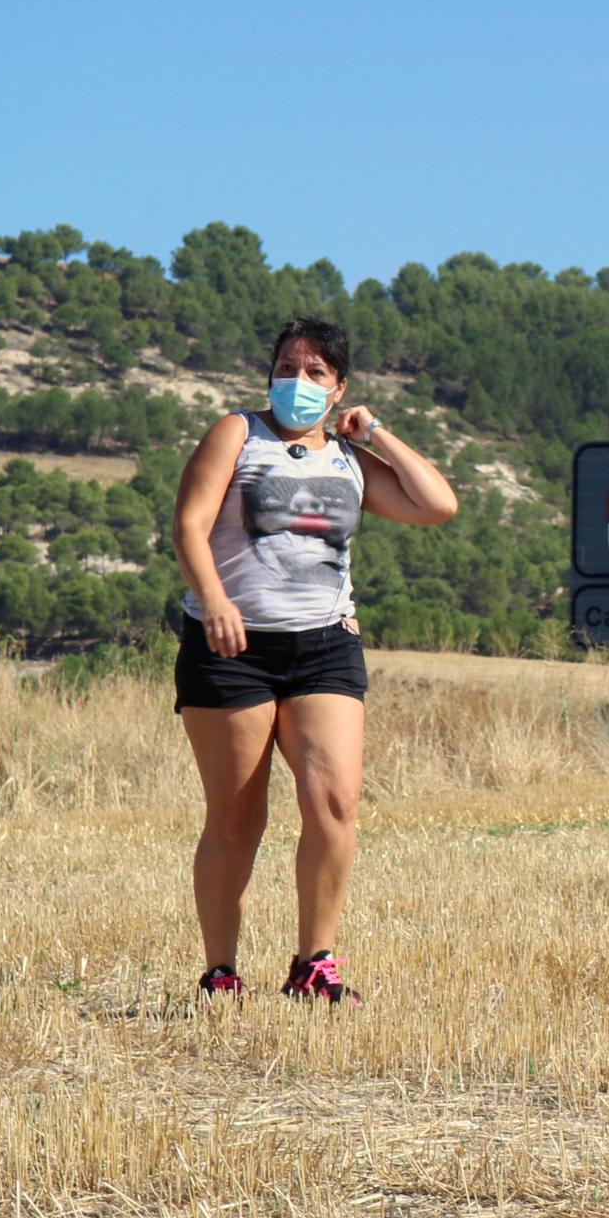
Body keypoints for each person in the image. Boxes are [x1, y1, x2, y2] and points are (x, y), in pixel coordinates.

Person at [170, 317, 458, 1004]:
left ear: (338, 390)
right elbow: (188, 523)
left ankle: (314, 965)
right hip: (231, 648)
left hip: (324, 645)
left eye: (315, 373)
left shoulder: (351, 461)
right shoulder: (237, 434)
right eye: (287, 367)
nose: (297, 381)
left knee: (334, 805)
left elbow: (438, 504)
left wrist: (376, 432)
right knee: (238, 818)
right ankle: (221, 973)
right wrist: (214, 600)